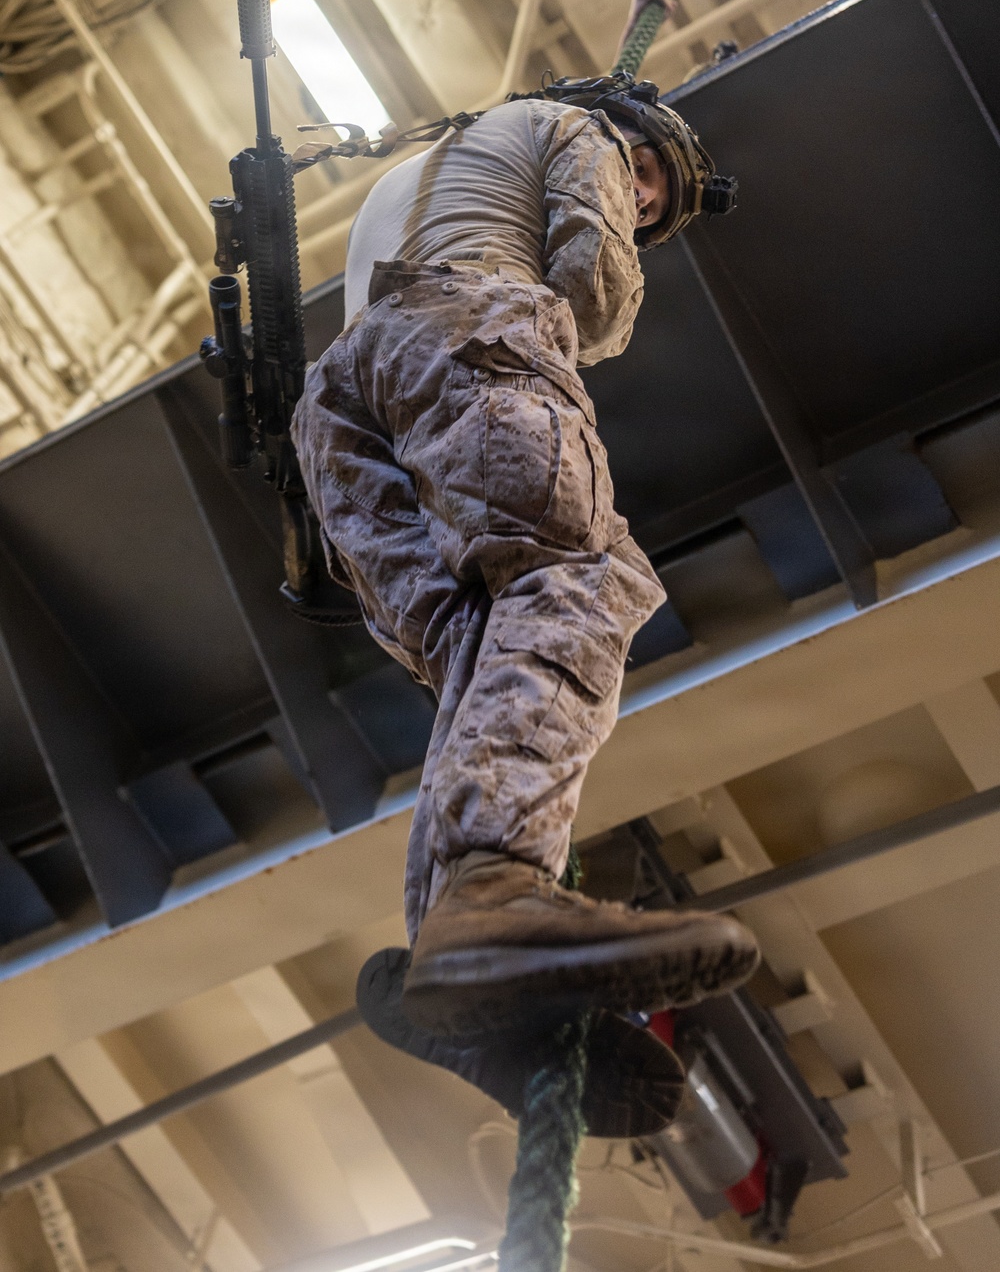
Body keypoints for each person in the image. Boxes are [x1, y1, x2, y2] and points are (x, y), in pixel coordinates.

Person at [291, 73, 757, 1040]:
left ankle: (457, 965)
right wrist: (615, 247)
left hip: (339, 416)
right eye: (646, 179)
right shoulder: (576, 127)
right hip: (466, 332)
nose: (639, 198)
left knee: (481, 651)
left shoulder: (423, 172)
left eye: (652, 203)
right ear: (624, 137)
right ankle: (499, 880)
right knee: (576, 582)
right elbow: (591, 290)